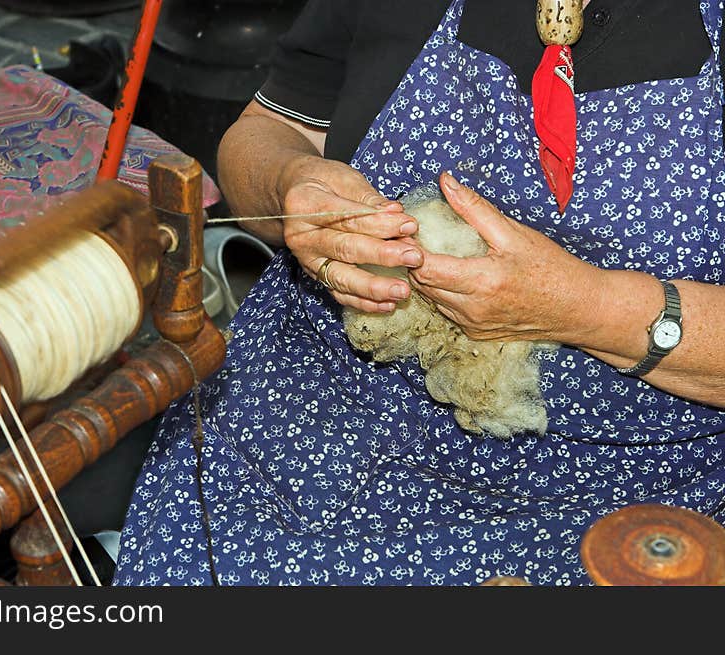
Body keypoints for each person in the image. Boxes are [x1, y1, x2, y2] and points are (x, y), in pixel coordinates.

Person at [113, 0, 725, 586]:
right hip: (312, 417)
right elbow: (270, 129)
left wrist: (588, 310)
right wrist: (288, 185)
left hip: (614, 490)